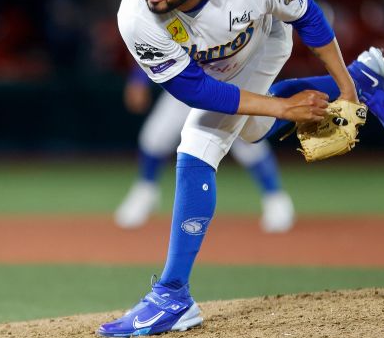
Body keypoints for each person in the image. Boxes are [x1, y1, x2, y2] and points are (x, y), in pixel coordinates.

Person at [98, 0, 384, 338]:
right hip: (206, 74)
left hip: (262, 42)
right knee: (252, 132)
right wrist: (281, 108)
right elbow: (198, 92)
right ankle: (368, 77)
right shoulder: (136, 16)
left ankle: (172, 294)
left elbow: (308, 17)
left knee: (197, 145)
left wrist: (345, 91)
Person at [116, 64, 295, 233]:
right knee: (155, 137)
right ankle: (145, 193)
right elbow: (152, 40)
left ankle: (275, 199)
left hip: (227, 82)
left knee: (247, 142)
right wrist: (139, 79)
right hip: (187, 81)